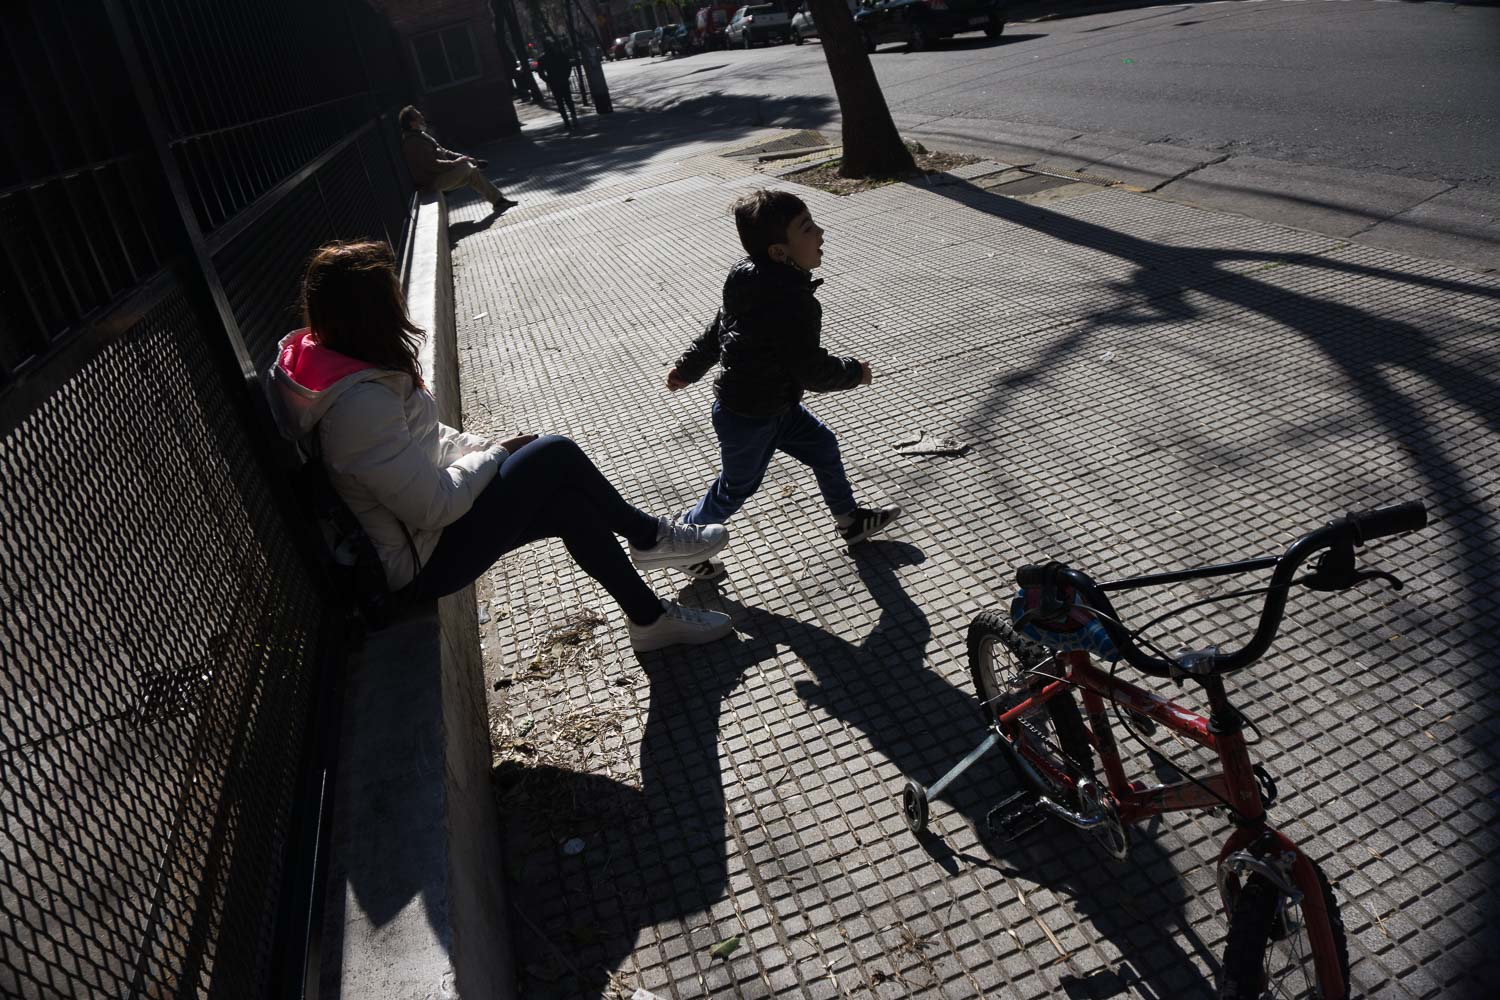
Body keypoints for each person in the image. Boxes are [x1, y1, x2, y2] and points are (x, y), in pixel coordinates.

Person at [267, 240, 734, 652]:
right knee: (554, 452)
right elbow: (433, 508)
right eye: (393, 295)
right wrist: (498, 457)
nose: (402, 304)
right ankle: (650, 538)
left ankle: (650, 619)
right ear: (373, 314)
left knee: (568, 503)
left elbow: (429, 438)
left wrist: (489, 448)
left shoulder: (351, 371)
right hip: (423, 563)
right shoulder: (359, 406)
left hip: (431, 535)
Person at [666, 189, 901, 580]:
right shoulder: (790, 301)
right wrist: (854, 372)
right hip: (750, 416)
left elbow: (717, 332)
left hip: (776, 405)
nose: (821, 233)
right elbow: (809, 368)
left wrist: (688, 370)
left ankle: (849, 520)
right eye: (807, 229)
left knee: (823, 446)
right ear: (779, 252)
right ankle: (681, 542)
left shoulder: (749, 280)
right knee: (735, 489)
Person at [398, 106, 517, 214]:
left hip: (441, 176)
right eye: (418, 116)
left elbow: (445, 152)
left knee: (472, 171)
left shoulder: (421, 135)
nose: (422, 118)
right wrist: (456, 163)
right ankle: (497, 199)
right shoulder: (413, 142)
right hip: (432, 183)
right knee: (466, 166)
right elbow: (432, 165)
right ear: (412, 123)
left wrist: (467, 158)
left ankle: (498, 201)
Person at [535, 44, 578, 130]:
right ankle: (574, 118)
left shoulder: (542, 59)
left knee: (560, 102)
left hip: (554, 83)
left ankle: (566, 121)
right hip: (563, 80)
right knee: (568, 100)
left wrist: (548, 80)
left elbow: (541, 73)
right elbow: (568, 66)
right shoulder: (561, 55)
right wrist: (566, 76)